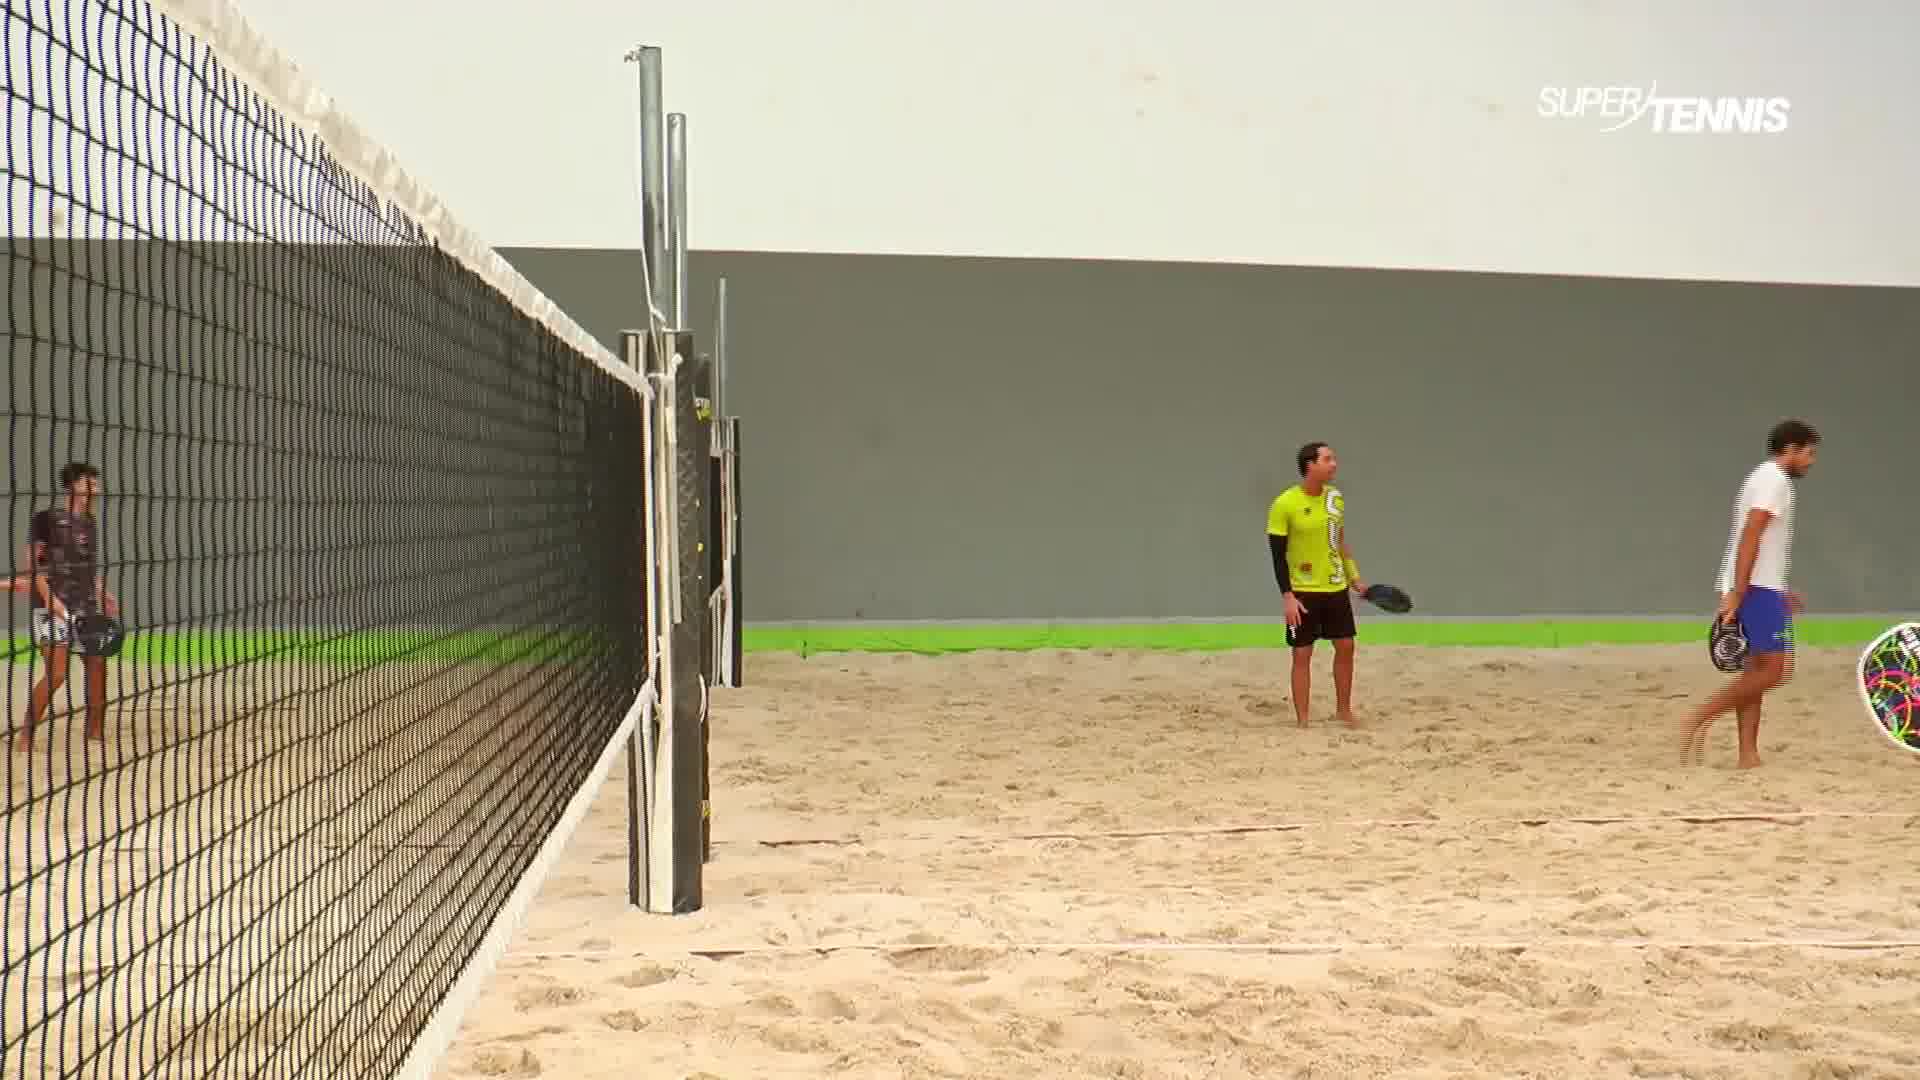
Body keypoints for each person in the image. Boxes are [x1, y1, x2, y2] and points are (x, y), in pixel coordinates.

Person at [1680, 420, 1819, 769]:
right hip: (1754, 588)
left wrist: (1777, 588)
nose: (1811, 461)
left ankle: (1748, 755)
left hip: (1760, 586)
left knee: (1756, 671)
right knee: (1774, 672)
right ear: (1789, 448)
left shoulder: (1764, 478)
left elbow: (1759, 540)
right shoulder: (1773, 481)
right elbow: (1751, 535)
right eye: (1808, 453)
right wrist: (1740, 593)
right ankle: (1702, 716)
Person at [1267, 442, 1372, 728]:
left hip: (1335, 588)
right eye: (1327, 459)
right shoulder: (1285, 504)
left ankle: (1343, 710)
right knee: (1302, 653)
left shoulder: (1335, 499)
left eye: (1333, 458)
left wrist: (1355, 578)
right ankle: (1302, 720)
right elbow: (1277, 556)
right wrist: (1288, 597)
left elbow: (1339, 542)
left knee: (1346, 646)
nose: (1334, 464)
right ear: (1310, 465)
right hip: (1303, 591)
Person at [16, 462, 119, 752]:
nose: (95, 487)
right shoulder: (45, 519)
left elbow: (88, 566)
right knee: (57, 674)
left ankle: (95, 732)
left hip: (85, 605)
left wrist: (103, 593)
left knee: (98, 665)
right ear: (73, 484)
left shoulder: (90, 522)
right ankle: (26, 732)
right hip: (49, 606)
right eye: (90, 482)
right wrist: (53, 602)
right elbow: (33, 568)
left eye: (96, 483)